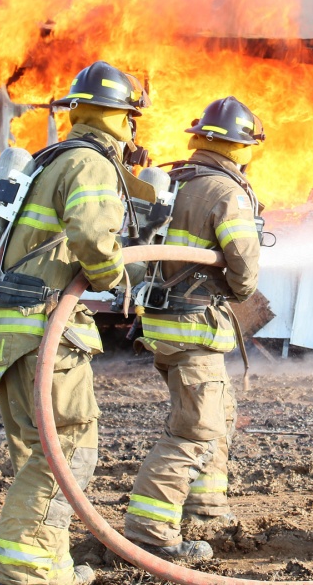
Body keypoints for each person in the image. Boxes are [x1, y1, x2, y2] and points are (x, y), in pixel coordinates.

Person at [0, 61, 150, 585]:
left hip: (8, 331)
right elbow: (94, 239)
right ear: (123, 119)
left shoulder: (50, 160)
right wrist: (117, 278)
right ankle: (22, 571)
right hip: (45, 326)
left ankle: (48, 563)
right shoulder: (91, 163)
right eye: (131, 119)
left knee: (38, 452)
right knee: (69, 446)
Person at [125, 96, 265, 560]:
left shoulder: (177, 178)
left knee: (218, 412)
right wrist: (238, 288)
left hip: (164, 322)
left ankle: (205, 508)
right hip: (195, 327)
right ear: (239, 146)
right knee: (194, 430)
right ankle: (149, 530)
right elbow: (243, 272)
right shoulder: (226, 191)